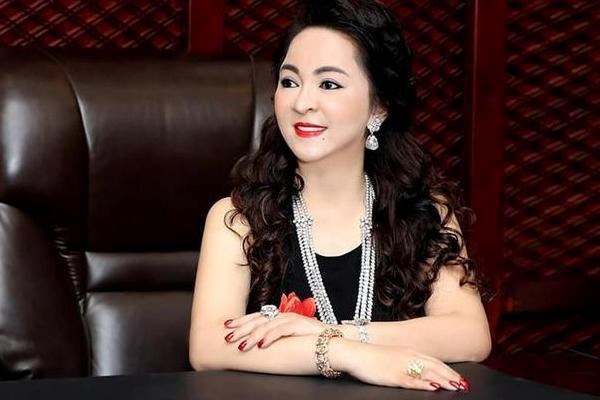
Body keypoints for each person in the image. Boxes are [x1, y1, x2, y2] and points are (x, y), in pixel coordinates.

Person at [189, 0, 491, 391]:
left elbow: (470, 335)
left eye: (329, 84)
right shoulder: (239, 217)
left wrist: (331, 331)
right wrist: (345, 352)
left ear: (378, 106)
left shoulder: (423, 211)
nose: (302, 103)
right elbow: (209, 346)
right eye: (289, 81)